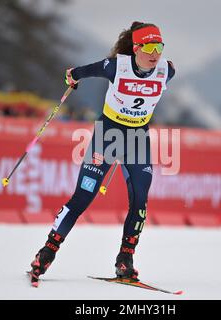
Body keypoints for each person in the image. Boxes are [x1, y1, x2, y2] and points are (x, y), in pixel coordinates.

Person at [28, 21, 175, 287]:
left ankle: (125, 259)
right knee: (83, 197)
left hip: (136, 139)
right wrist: (71, 77)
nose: (156, 54)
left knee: (140, 200)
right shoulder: (116, 66)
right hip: (107, 135)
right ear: (136, 48)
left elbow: (165, 69)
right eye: (150, 47)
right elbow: (79, 72)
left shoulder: (166, 70)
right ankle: (47, 252)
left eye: (160, 47)